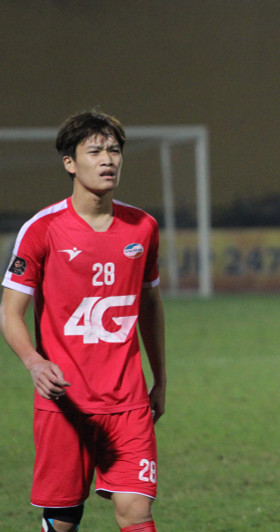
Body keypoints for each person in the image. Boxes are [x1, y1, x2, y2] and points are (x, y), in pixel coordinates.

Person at [1, 110, 166, 532]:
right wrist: (34, 362)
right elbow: (10, 311)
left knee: (136, 511)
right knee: (63, 518)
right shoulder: (43, 229)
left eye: (114, 150)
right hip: (65, 403)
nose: (108, 159)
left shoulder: (143, 227)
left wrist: (160, 379)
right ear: (70, 163)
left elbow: (150, 306)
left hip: (128, 403)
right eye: (95, 151)